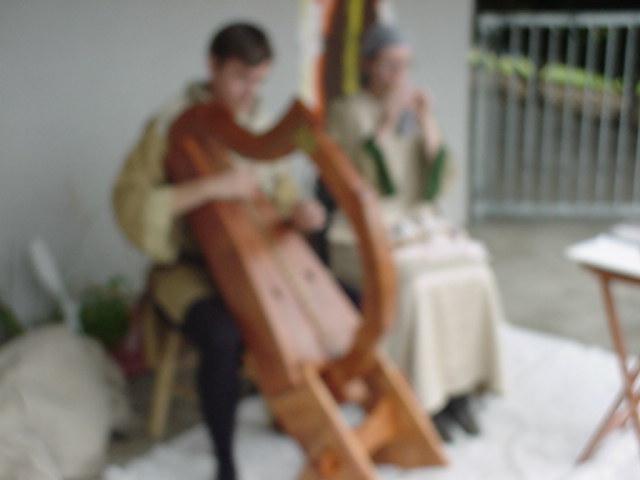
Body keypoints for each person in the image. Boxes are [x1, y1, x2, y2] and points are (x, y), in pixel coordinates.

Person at [112, 23, 326, 480]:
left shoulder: (256, 125)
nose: (250, 93)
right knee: (223, 336)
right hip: (185, 269)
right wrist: (211, 187)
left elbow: (281, 192)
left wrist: (300, 213)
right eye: (240, 78)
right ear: (212, 67)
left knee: (336, 297)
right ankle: (224, 461)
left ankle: (306, 418)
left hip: (252, 258)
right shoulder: (171, 125)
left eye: (259, 81)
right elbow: (131, 203)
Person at [325, 23, 506, 442]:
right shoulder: (346, 111)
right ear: (369, 66)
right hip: (360, 232)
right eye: (389, 65)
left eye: (404, 66)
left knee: (474, 271)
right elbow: (363, 185)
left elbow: (436, 184)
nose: (397, 76)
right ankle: (424, 396)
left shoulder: (413, 108)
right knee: (417, 284)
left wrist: (425, 122)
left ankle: (461, 390)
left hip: (415, 222)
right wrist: (386, 123)